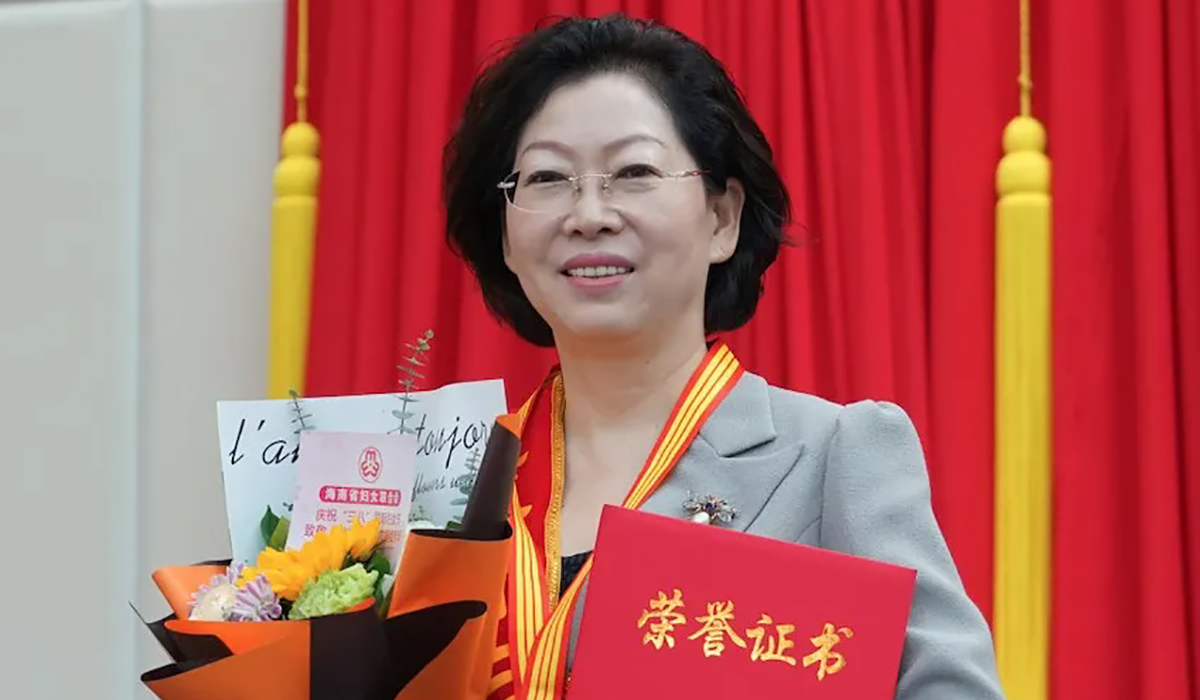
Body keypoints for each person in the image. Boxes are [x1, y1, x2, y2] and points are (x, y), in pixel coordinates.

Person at [407, 12, 1004, 700]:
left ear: (722, 218)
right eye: (547, 178)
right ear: (507, 239)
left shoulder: (836, 455)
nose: (589, 214)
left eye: (633, 172)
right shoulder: (440, 482)